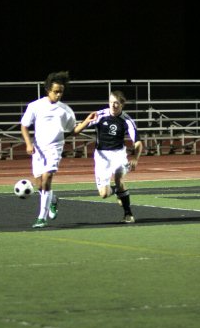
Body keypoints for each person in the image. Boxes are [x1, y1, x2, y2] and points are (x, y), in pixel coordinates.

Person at [20, 71, 95, 228]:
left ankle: (42, 217)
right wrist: (28, 144)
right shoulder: (35, 106)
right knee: (40, 185)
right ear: (48, 89)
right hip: (38, 150)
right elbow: (24, 126)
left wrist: (87, 121)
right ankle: (52, 199)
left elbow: (73, 131)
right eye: (56, 91)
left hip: (54, 149)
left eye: (61, 91)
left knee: (47, 179)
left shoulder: (65, 110)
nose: (59, 94)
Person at [84, 90, 143, 223]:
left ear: (122, 104)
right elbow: (83, 125)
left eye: (116, 103)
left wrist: (135, 158)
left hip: (119, 155)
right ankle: (118, 191)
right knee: (104, 194)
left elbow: (138, 143)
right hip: (101, 156)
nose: (113, 105)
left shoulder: (127, 120)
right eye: (111, 102)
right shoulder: (100, 115)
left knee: (118, 177)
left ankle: (128, 214)